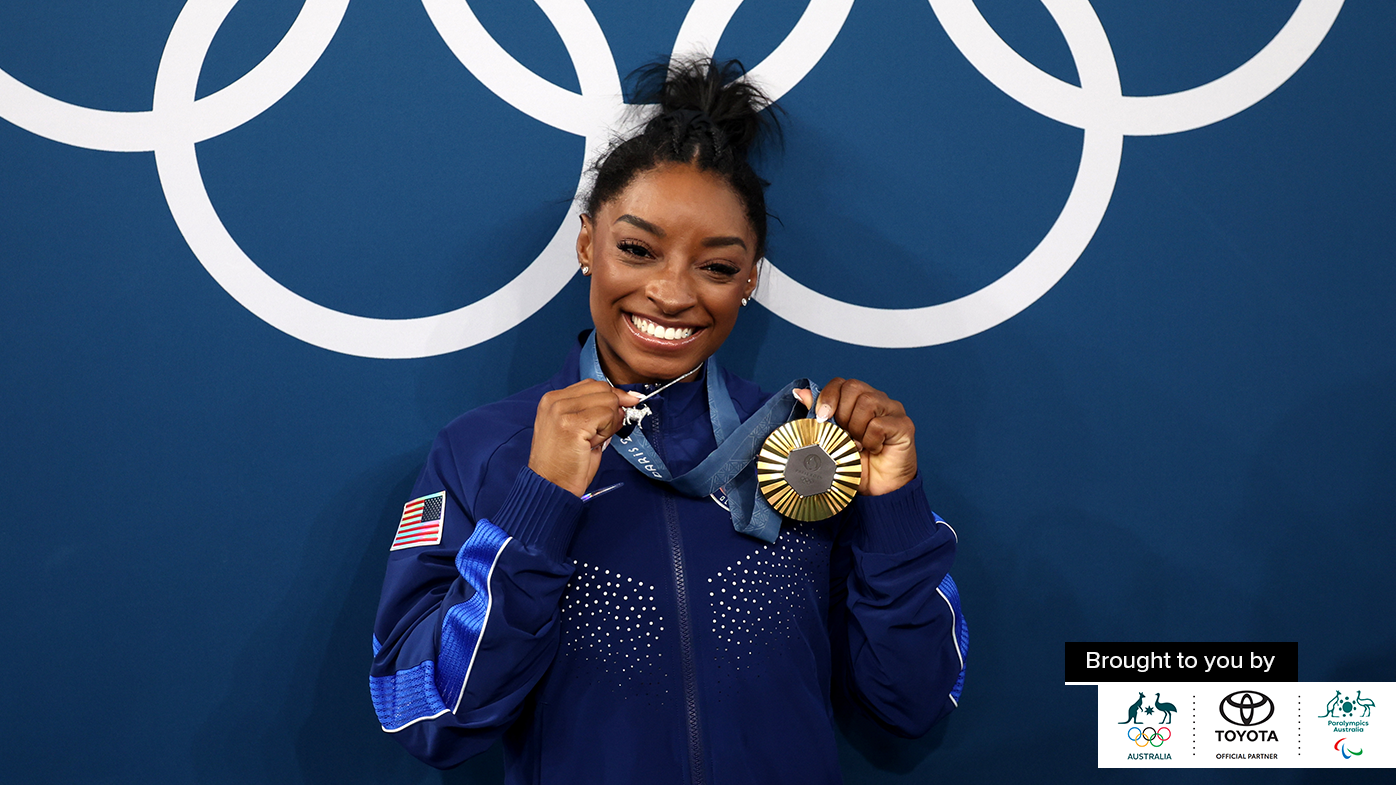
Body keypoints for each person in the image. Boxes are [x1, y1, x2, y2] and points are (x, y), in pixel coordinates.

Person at [369, 57, 966, 784]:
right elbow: (423, 713)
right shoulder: (484, 451)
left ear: (750, 278)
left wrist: (895, 510)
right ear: (587, 243)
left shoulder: (806, 448)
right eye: (637, 249)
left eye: (716, 267)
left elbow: (914, 702)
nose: (672, 292)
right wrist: (536, 507)